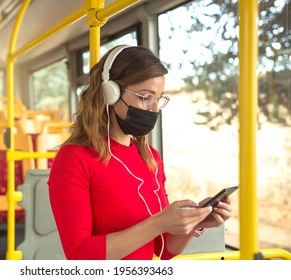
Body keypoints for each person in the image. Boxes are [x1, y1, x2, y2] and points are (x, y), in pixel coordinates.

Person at [48, 45, 232, 260]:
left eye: (159, 99)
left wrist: (194, 223)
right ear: (110, 93)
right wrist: (159, 222)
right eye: (145, 97)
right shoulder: (74, 159)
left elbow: (161, 250)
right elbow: (80, 256)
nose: (154, 109)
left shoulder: (150, 157)